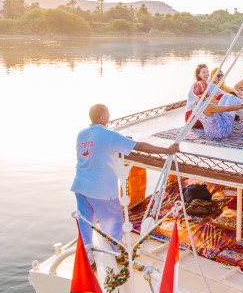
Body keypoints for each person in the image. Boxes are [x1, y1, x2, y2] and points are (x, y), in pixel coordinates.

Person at [72, 104, 179, 248]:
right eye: (108, 114)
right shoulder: (107, 135)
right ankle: (116, 252)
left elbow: (97, 150)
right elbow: (139, 146)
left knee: (86, 222)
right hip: (101, 190)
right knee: (113, 222)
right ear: (103, 117)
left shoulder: (82, 134)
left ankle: (87, 253)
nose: (109, 117)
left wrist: (121, 141)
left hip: (80, 186)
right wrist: (167, 150)